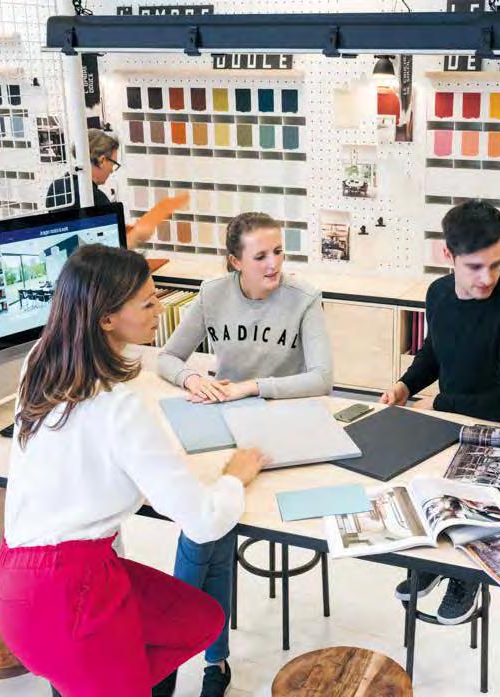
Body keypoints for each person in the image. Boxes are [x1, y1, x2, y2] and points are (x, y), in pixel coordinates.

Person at [0, 244, 269, 697]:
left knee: (200, 619)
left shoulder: (40, 362)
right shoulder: (118, 408)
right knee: (188, 625)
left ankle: (118, 679)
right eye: (148, 302)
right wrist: (234, 478)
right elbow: (203, 521)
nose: (160, 309)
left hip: (18, 583)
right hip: (68, 598)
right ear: (106, 319)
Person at [156, 211, 333, 696]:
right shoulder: (212, 294)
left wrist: (252, 386)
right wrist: (193, 378)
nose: (274, 264)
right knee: (206, 530)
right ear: (235, 261)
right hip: (223, 427)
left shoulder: (304, 297)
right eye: (260, 256)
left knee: (206, 533)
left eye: (278, 252)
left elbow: (322, 378)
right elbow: (167, 356)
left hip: (281, 431)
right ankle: (211, 661)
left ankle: (181, 656)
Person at [380, 199, 500, 626]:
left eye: (497, 265)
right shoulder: (437, 294)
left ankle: (464, 578)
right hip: (448, 427)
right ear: (447, 255)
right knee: (431, 500)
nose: (487, 278)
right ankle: (435, 563)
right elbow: (435, 351)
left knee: (472, 514)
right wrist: (406, 385)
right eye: (474, 267)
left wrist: (440, 403)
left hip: (495, 435)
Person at [45, 128, 157, 249]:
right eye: (113, 164)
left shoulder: (56, 187)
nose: (112, 170)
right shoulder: (96, 198)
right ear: (102, 160)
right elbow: (113, 247)